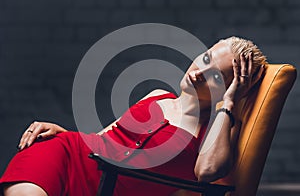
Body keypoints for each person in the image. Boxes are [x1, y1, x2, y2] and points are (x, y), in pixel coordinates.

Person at [0, 36, 266, 196]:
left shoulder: (220, 128)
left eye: (215, 76)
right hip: (68, 155)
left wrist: (229, 102)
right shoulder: (156, 94)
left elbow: (207, 171)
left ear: (228, 89)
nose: (198, 72)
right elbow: (103, 137)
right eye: (205, 59)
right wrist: (64, 133)